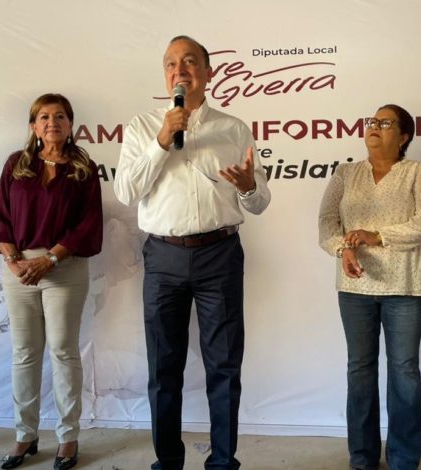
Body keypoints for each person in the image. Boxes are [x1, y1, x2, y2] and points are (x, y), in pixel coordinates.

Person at [114, 35, 270, 470]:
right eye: (170, 64)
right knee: (163, 369)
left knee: (224, 365)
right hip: (163, 257)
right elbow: (126, 191)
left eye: (188, 62)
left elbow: (259, 202)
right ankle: (168, 462)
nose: (178, 71)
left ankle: (222, 462)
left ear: (208, 72)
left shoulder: (233, 128)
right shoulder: (143, 126)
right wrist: (162, 140)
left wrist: (249, 187)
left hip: (220, 254)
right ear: (165, 75)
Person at [318, 104, 421, 470]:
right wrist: (342, 249)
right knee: (360, 369)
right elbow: (327, 221)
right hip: (355, 287)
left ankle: (404, 459)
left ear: (403, 137)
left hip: (405, 286)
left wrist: (379, 236)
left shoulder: (418, 172)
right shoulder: (346, 174)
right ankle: (362, 457)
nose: (375, 126)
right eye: (372, 121)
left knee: (404, 370)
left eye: (385, 123)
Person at [0, 93, 103, 470]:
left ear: (71, 124)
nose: (53, 122)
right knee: (24, 353)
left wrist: (49, 259)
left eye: (61, 116)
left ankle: (68, 437)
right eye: (45, 117)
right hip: (18, 267)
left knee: (64, 352)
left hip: (64, 268)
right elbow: (0, 218)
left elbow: (88, 224)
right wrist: (14, 261)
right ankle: (25, 435)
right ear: (33, 126)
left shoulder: (83, 168)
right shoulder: (16, 165)